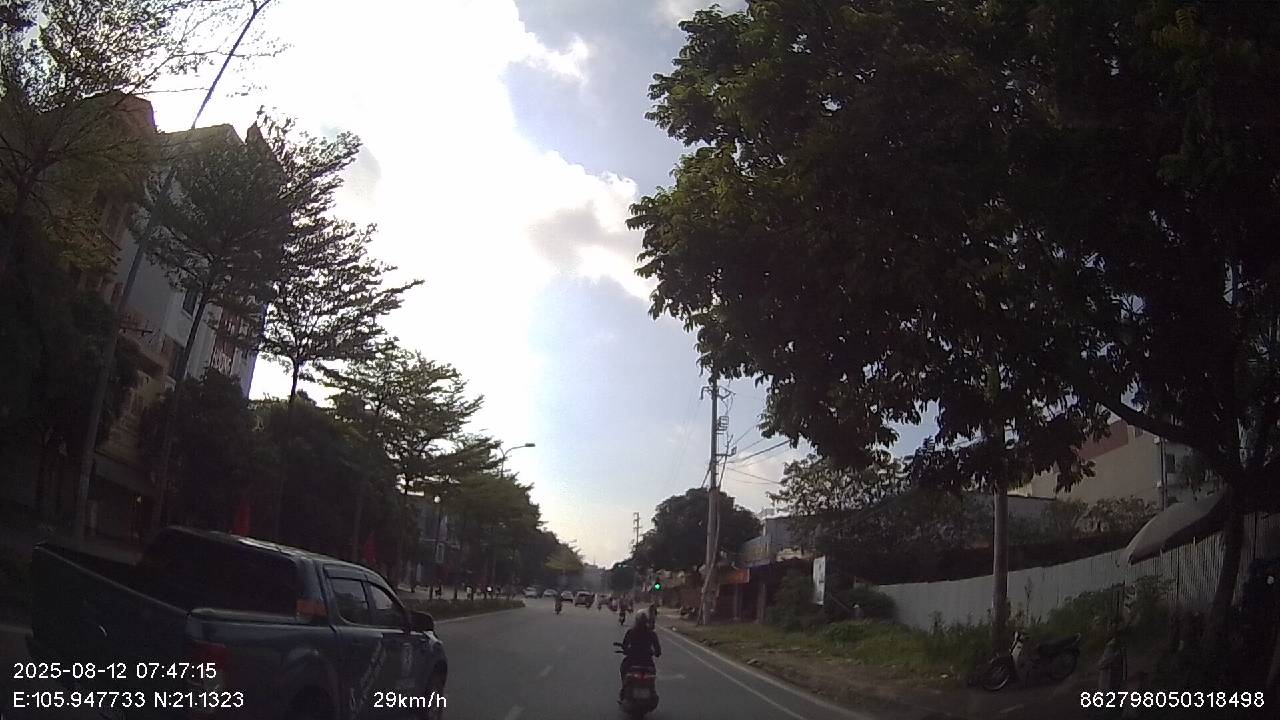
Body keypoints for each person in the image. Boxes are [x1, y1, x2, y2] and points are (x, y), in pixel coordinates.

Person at [618, 611, 661, 702]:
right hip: (647, 662)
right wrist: (655, 653)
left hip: (632, 661)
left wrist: (626, 651)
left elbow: (625, 645)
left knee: (623, 669)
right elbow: (658, 651)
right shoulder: (652, 633)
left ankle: (624, 688)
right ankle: (652, 690)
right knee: (652, 675)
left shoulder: (631, 632)